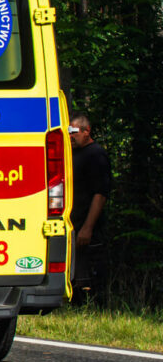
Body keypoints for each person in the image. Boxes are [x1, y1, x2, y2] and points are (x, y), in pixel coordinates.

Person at [69, 113, 111, 306]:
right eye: (68, 131)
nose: (70, 135)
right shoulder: (72, 154)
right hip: (72, 223)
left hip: (88, 226)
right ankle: (73, 303)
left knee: (89, 272)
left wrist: (88, 227)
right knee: (74, 270)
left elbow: (100, 193)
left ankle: (92, 306)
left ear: (87, 131)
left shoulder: (95, 154)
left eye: (74, 131)